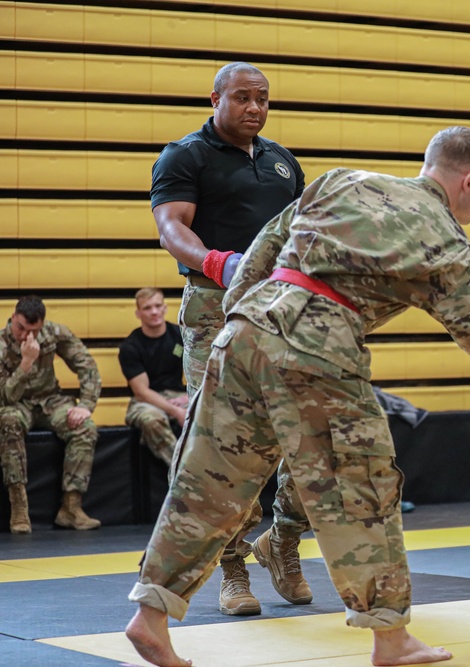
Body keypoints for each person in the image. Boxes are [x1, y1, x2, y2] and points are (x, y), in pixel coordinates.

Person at [125, 126, 470, 667]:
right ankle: (391, 638)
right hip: (319, 349)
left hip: (242, 331)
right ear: (469, 180)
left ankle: (150, 615)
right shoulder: (445, 238)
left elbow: (262, 250)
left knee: (209, 483)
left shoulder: (341, 180)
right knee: (362, 489)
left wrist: (237, 323)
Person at [150, 61, 312, 616]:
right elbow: (172, 227)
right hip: (213, 310)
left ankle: (284, 542)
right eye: (242, 97)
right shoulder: (184, 155)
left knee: (309, 432)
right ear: (215, 99)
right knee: (222, 443)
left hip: (282, 313)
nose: (255, 108)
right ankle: (234, 567)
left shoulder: (283, 161)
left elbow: (304, 235)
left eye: (263, 98)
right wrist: (219, 263)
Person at [0, 295, 103, 534]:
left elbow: (86, 364)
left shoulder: (54, 333)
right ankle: (19, 506)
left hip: (50, 400)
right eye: (21, 328)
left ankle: (71, 507)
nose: (27, 336)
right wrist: (25, 364)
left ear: (42, 325)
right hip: (16, 403)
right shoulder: (2, 344)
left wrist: (86, 404)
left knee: (85, 426)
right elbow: (5, 397)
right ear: (13, 317)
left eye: (34, 331)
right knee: (8, 420)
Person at [118, 288, 187, 466]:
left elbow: (202, 373)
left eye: (158, 306)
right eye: (148, 308)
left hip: (178, 395)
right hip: (144, 401)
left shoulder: (180, 336)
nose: (154, 312)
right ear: (138, 313)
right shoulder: (130, 347)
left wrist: (189, 397)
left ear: (165, 308)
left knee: (211, 410)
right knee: (151, 419)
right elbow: (141, 392)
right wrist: (176, 411)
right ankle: (182, 471)